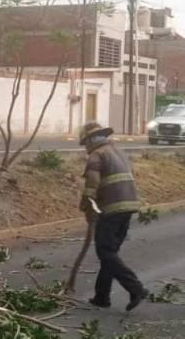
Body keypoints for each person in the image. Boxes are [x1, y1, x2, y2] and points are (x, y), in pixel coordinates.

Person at [78, 122, 148, 311]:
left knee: (105, 252)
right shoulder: (118, 151)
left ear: (91, 140)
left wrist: (85, 206)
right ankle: (102, 296)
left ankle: (136, 288)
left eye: (85, 143)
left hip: (112, 209)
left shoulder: (96, 155)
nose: (85, 147)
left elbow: (92, 186)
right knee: (109, 254)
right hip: (129, 206)